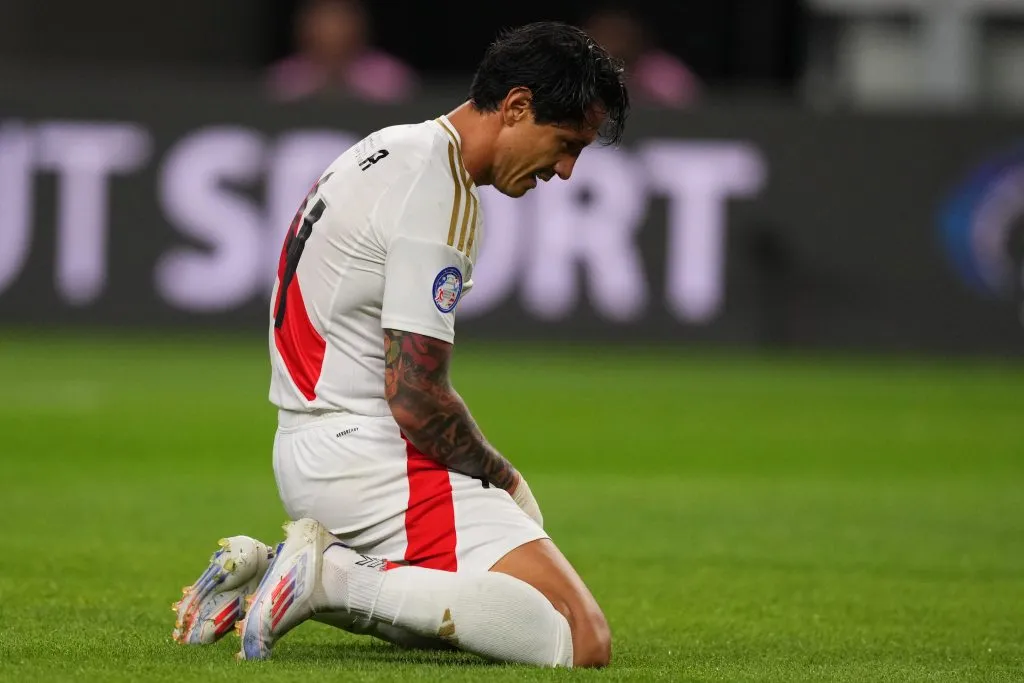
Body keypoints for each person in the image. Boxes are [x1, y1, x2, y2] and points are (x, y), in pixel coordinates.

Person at [172, 21, 629, 668]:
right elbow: (416, 397)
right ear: (517, 106)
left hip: (306, 449)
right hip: (373, 462)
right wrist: (501, 476)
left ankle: (274, 572)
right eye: (566, 143)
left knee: (450, 609)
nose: (565, 170)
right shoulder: (440, 190)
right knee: (579, 637)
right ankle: (327, 577)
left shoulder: (391, 145)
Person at [266, 0, 417, 103]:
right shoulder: (283, 76)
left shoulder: (390, 74)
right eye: (324, 18)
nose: (333, 29)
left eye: (341, 18)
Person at [582, 6, 699, 108]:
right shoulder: (580, 72)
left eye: (618, 34)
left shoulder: (662, 72)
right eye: (604, 33)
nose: (611, 42)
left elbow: (686, 112)